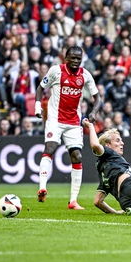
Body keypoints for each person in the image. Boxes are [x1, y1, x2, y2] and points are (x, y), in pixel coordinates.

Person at [34, 46, 102, 209]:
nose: (76, 61)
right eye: (73, 58)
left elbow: (97, 96)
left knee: (77, 157)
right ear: (66, 58)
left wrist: (93, 112)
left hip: (73, 121)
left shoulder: (85, 75)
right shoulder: (55, 71)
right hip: (55, 119)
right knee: (50, 149)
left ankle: (73, 201)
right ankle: (42, 187)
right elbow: (40, 88)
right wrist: (38, 106)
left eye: (79, 58)